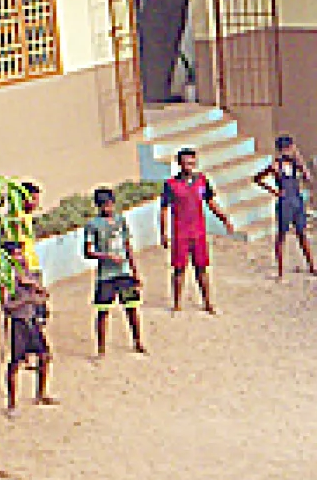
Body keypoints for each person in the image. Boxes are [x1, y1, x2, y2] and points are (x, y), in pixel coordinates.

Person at [160, 148, 235, 313]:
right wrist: (163, 232)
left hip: (199, 231)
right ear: (179, 164)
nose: (189, 166)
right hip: (180, 232)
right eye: (186, 162)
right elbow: (164, 209)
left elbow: (210, 202)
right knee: (179, 268)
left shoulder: (202, 181)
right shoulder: (170, 185)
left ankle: (207, 302)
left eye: (192, 162)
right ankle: (177, 303)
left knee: (201, 267)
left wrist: (224, 219)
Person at [83, 185, 146, 357]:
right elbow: (88, 252)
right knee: (103, 311)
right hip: (106, 274)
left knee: (131, 308)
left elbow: (128, 246)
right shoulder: (92, 225)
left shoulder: (121, 221)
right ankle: (101, 348)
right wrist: (108, 257)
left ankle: (138, 341)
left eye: (110, 204)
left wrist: (135, 270)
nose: (108, 208)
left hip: (124, 272)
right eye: (104, 205)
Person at [254, 135, 317, 280]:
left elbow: (307, 177)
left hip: (297, 200)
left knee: (302, 233)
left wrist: (299, 157)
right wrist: (274, 191)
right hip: (284, 202)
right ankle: (280, 270)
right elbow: (257, 178)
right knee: (281, 235)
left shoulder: (295, 164)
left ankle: (311, 265)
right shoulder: (276, 166)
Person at [1, 241, 56, 416]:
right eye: (16, 255)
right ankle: (12, 404)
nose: (20, 258)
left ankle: (40, 394)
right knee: (15, 363)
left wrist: (34, 288)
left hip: (32, 320)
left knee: (45, 356)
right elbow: (7, 306)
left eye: (21, 254)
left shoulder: (29, 275)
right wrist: (28, 299)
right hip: (19, 322)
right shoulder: (6, 280)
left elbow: (43, 295)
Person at [18, 182, 43, 273]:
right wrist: (23, 275)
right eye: (34, 199)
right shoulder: (18, 219)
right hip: (25, 270)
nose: (37, 203)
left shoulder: (27, 217)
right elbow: (16, 249)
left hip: (32, 267)